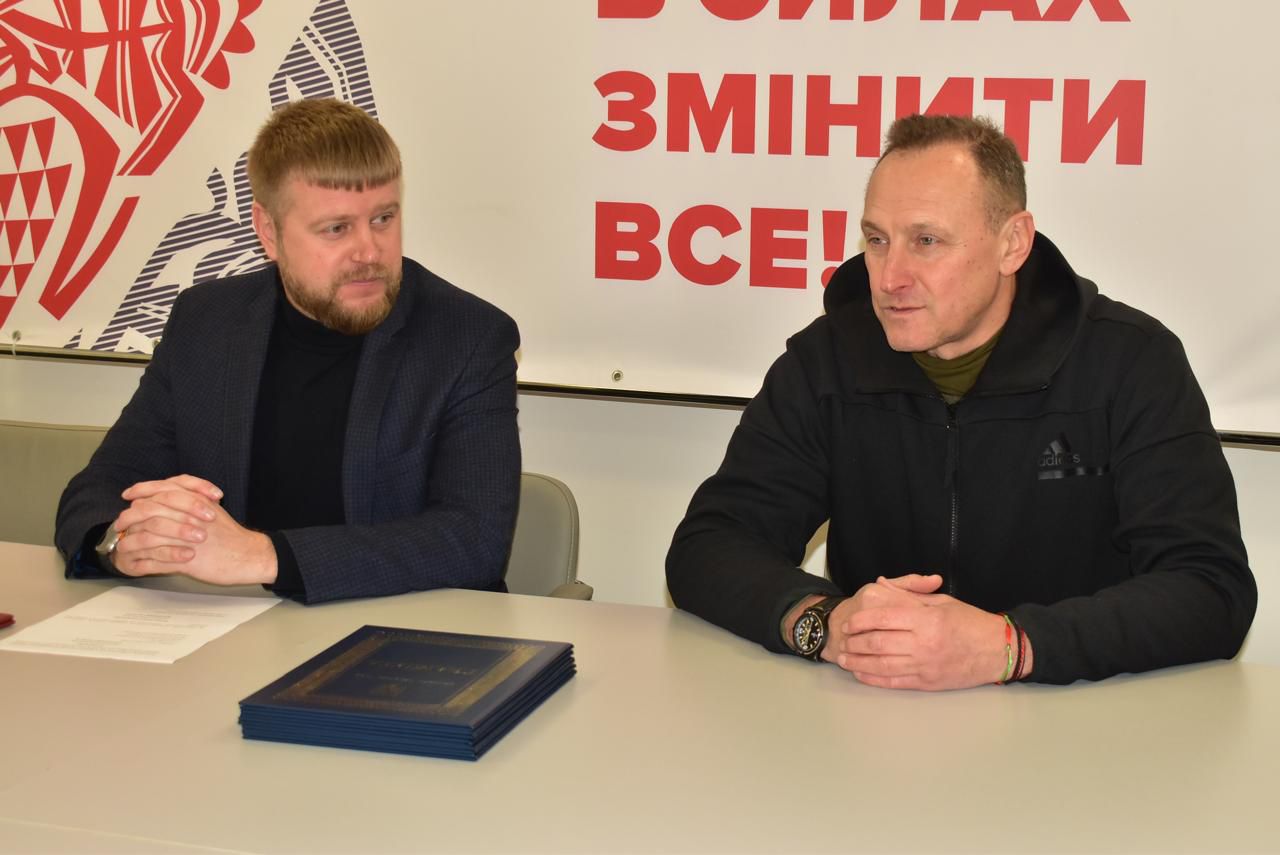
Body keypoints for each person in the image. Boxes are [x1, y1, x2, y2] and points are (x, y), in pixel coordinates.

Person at [666, 114, 1256, 688]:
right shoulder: (827, 360)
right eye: (878, 240)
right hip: (876, 715)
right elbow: (708, 546)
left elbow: (1210, 589)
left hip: (1079, 718)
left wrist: (1009, 646)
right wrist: (825, 624)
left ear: (1012, 244)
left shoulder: (1131, 362)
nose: (889, 277)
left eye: (926, 241)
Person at [55, 98, 521, 603]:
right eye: (337, 228)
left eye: (383, 218)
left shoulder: (468, 338)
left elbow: (473, 540)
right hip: (235, 628)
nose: (369, 251)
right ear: (268, 232)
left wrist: (261, 556)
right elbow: (105, 483)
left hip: (404, 628)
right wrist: (121, 541)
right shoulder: (206, 323)